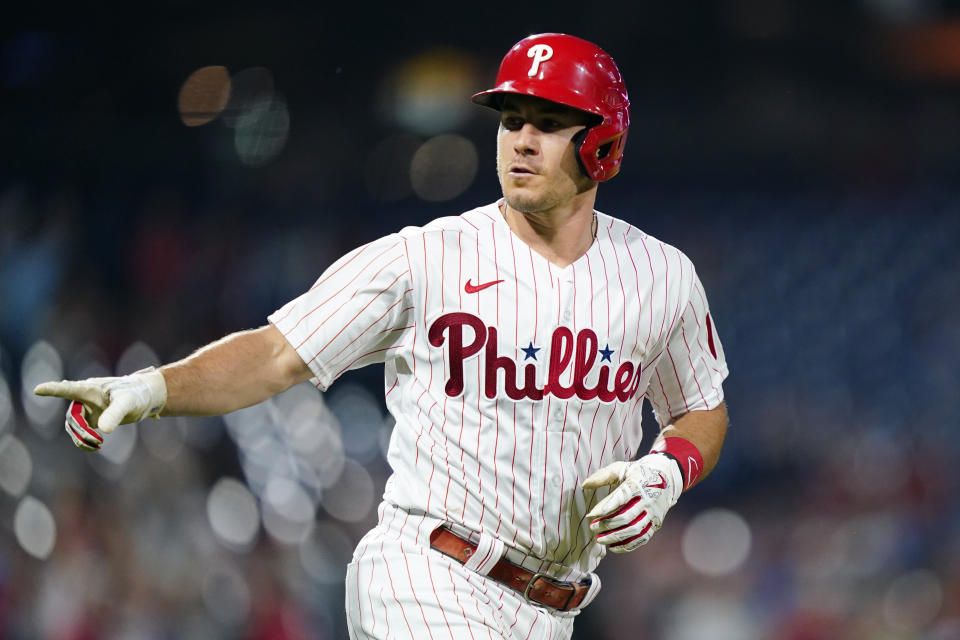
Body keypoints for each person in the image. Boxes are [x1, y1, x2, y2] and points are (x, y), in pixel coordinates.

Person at [35, 33, 729, 640]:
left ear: (602, 144)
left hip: (552, 609)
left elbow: (700, 405)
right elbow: (278, 353)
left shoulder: (659, 276)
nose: (519, 139)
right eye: (511, 119)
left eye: (547, 123)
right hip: (427, 574)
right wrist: (152, 387)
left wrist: (665, 471)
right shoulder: (422, 260)